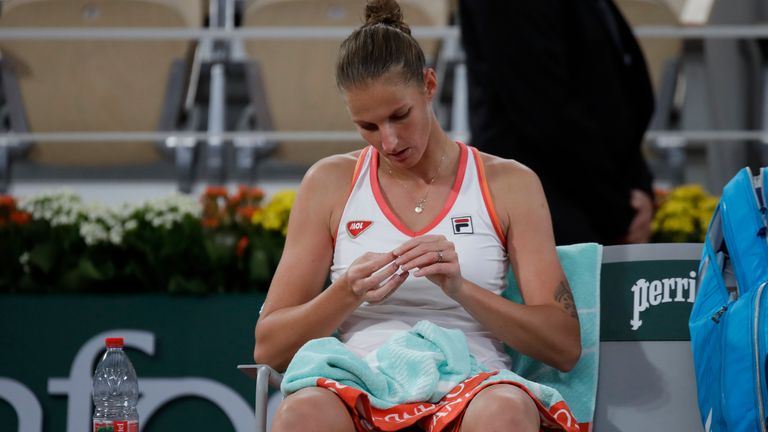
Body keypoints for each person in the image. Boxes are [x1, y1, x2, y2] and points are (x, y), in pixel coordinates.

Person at [253, 1, 581, 430]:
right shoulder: (329, 182)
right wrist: (347, 292)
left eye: (399, 116)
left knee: (505, 409)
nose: (388, 142)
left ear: (429, 85)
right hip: (358, 383)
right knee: (301, 411)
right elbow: (269, 348)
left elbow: (563, 344)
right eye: (367, 127)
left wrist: (461, 289)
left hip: (473, 385)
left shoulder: (509, 183)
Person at [459, 0, 656, 245]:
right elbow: (545, 113)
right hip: (550, 206)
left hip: (594, 200)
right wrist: (618, 212)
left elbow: (616, 90)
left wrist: (639, 191)